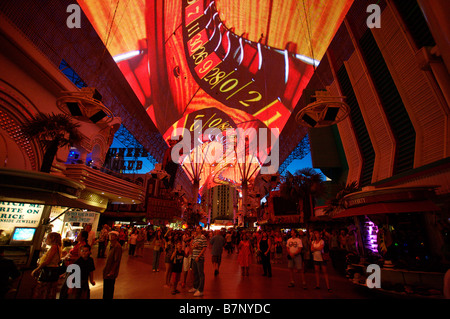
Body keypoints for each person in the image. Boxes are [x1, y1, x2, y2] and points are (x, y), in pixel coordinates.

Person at [31, 232, 62, 299]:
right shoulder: (57, 247)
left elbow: (47, 261)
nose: (46, 240)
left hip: (49, 272)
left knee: (44, 290)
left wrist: (37, 269)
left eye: (47, 238)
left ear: (52, 238)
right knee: (49, 290)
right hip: (53, 271)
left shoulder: (54, 247)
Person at [103, 231, 122, 299]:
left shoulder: (117, 246)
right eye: (110, 235)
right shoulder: (110, 245)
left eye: (113, 235)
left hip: (110, 271)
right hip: (107, 269)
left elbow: (117, 260)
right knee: (106, 288)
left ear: (116, 237)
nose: (111, 236)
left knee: (109, 288)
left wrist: (112, 271)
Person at [189, 225, 207, 297]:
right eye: (196, 229)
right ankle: (195, 287)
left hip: (199, 258)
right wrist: (194, 246)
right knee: (195, 273)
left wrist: (199, 256)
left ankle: (200, 289)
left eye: (198, 229)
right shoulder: (195, 238)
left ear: (201, 230)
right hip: (194, 257)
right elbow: (192, 246)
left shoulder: (203, 237)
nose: (197, 230)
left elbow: (204, 248)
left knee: (200, 273)